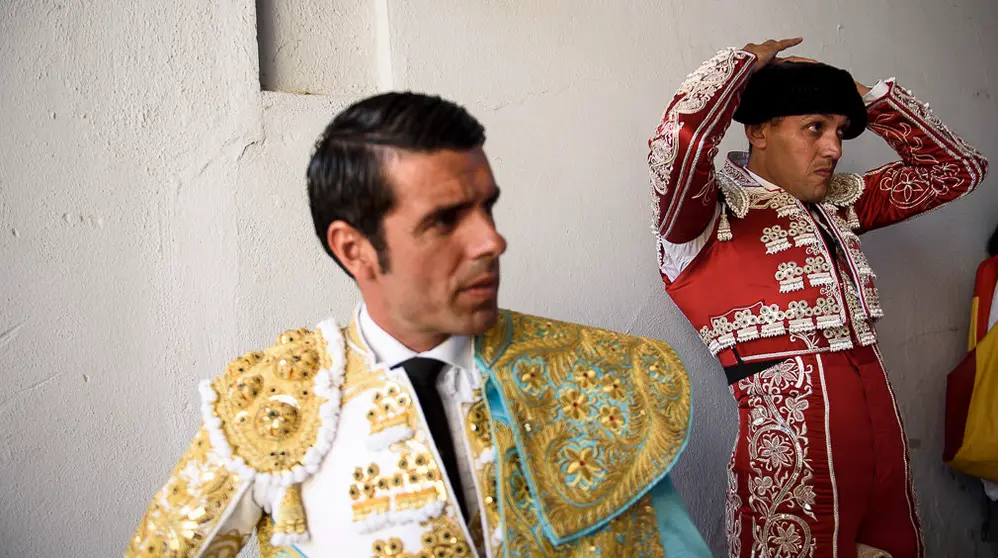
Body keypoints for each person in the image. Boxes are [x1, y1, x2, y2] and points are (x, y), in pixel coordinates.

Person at [127, 92, 709, 557]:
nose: (491, 240)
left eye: (487, 207)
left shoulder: (593, 372)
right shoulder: (271, 407)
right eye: (444, 220)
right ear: (354, 250)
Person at [647, 37, 989, 557]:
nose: (834, 148)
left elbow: (958, 169)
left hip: (885, 447)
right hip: (791, 458)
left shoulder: (838, 203)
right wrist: (741, 65)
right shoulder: (704, 216)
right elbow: (679, 145)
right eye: (815, 128)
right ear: (758, 131)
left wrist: (861, 95)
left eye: (841, 131)